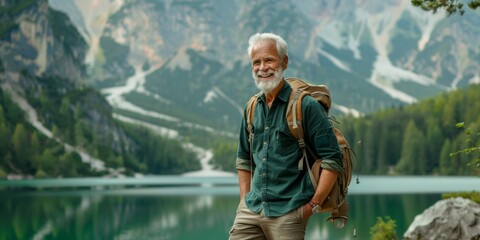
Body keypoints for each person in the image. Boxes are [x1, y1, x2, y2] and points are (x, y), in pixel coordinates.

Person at [228, 32, 344, 240]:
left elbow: (333, 160)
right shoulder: (252, 107)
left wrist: (312, 206)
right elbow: (244, 159)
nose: (262, 67)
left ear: (284, 62)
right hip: (251, 210)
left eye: (269, 60)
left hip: (290, 212)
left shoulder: (306, 106)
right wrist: (243, 201)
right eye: (256, 62)